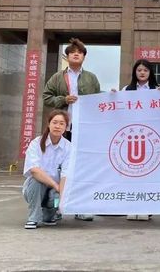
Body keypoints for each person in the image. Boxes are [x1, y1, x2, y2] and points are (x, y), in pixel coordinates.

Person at [42, 37, 100, 221]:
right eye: (72, 52)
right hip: (63, 130)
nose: (76, 54)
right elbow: (46, 97)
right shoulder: (57, 77)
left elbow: (98, 101)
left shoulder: (91, 78)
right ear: (67, 56)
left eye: (80, 52)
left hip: (83, 130)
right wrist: (63, 99)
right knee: (59, 167)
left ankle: (80, 207)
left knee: (82, 167)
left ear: (84, 57)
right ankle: (56, 207)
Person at [122, 59, 160, 221]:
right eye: (139, 70)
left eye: (145, 70)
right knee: (132, 173)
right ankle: (132, 207)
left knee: (149, 174)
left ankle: (147, 208)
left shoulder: (157, 90)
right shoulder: (126, 90)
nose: (142, 73)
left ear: (150, 73)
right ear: (135, 72)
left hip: (151, 138)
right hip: (132, 137)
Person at [22, 110, 71, 230]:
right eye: (55, 122)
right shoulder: (36, 143)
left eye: (61, 123)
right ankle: (33, 217)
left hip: (56, 190)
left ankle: (52, 212)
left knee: (55, 198)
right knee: (35, 181)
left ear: (66, 127)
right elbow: (34, 170)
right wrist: (55, 185)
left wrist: (61, 192)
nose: (57, 126)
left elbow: (66, 174)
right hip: (36, 190)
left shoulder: (68, 147)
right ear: (49, 124)